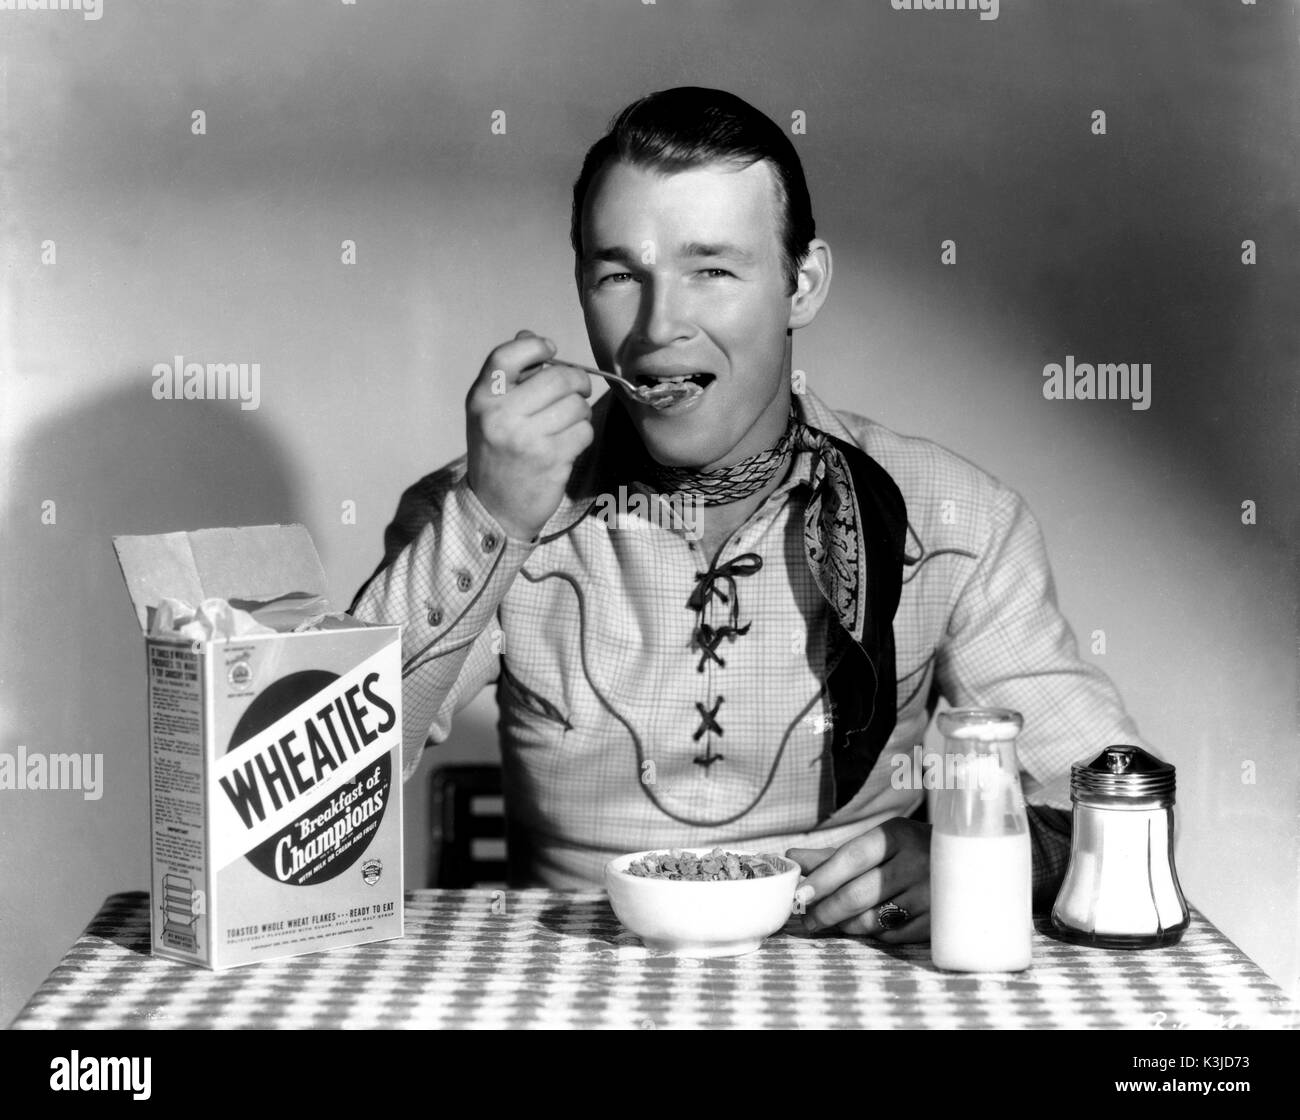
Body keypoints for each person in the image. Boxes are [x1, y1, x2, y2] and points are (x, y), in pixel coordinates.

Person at [350, 86, 1147, 943]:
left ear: (801, 284)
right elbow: (309, 800)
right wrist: (492, 519)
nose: (660, 327)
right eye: (619, 275)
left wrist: (976, 857)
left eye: (712, 271)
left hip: (854, 987)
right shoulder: (484, 508)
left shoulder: (955, 519)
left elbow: (1119, 816)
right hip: (576, 991)